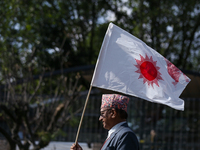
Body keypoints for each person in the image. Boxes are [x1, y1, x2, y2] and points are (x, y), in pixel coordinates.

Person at [70, 94, 139, 150]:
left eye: (102, 114)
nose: (100, 118)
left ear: (113, 113)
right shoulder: (116, 134)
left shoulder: (126, 135)